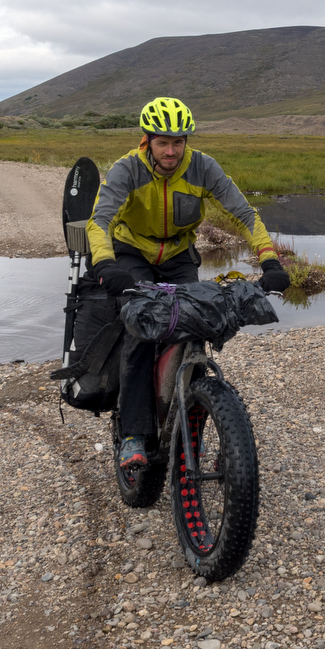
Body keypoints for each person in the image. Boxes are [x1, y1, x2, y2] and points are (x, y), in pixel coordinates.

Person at [86, 96, 289, 471]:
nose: (171, 150)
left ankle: (194, 411)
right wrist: (106, 264)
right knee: (142, 331)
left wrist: (269, 259)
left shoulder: (202, 168)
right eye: (163, 141)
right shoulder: (127, 169)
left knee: (193, 326)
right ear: (147, 140)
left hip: (179, 255)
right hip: (133, 253)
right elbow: (99, 221)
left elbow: (244, 213)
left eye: (178, 141)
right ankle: (133, 433)